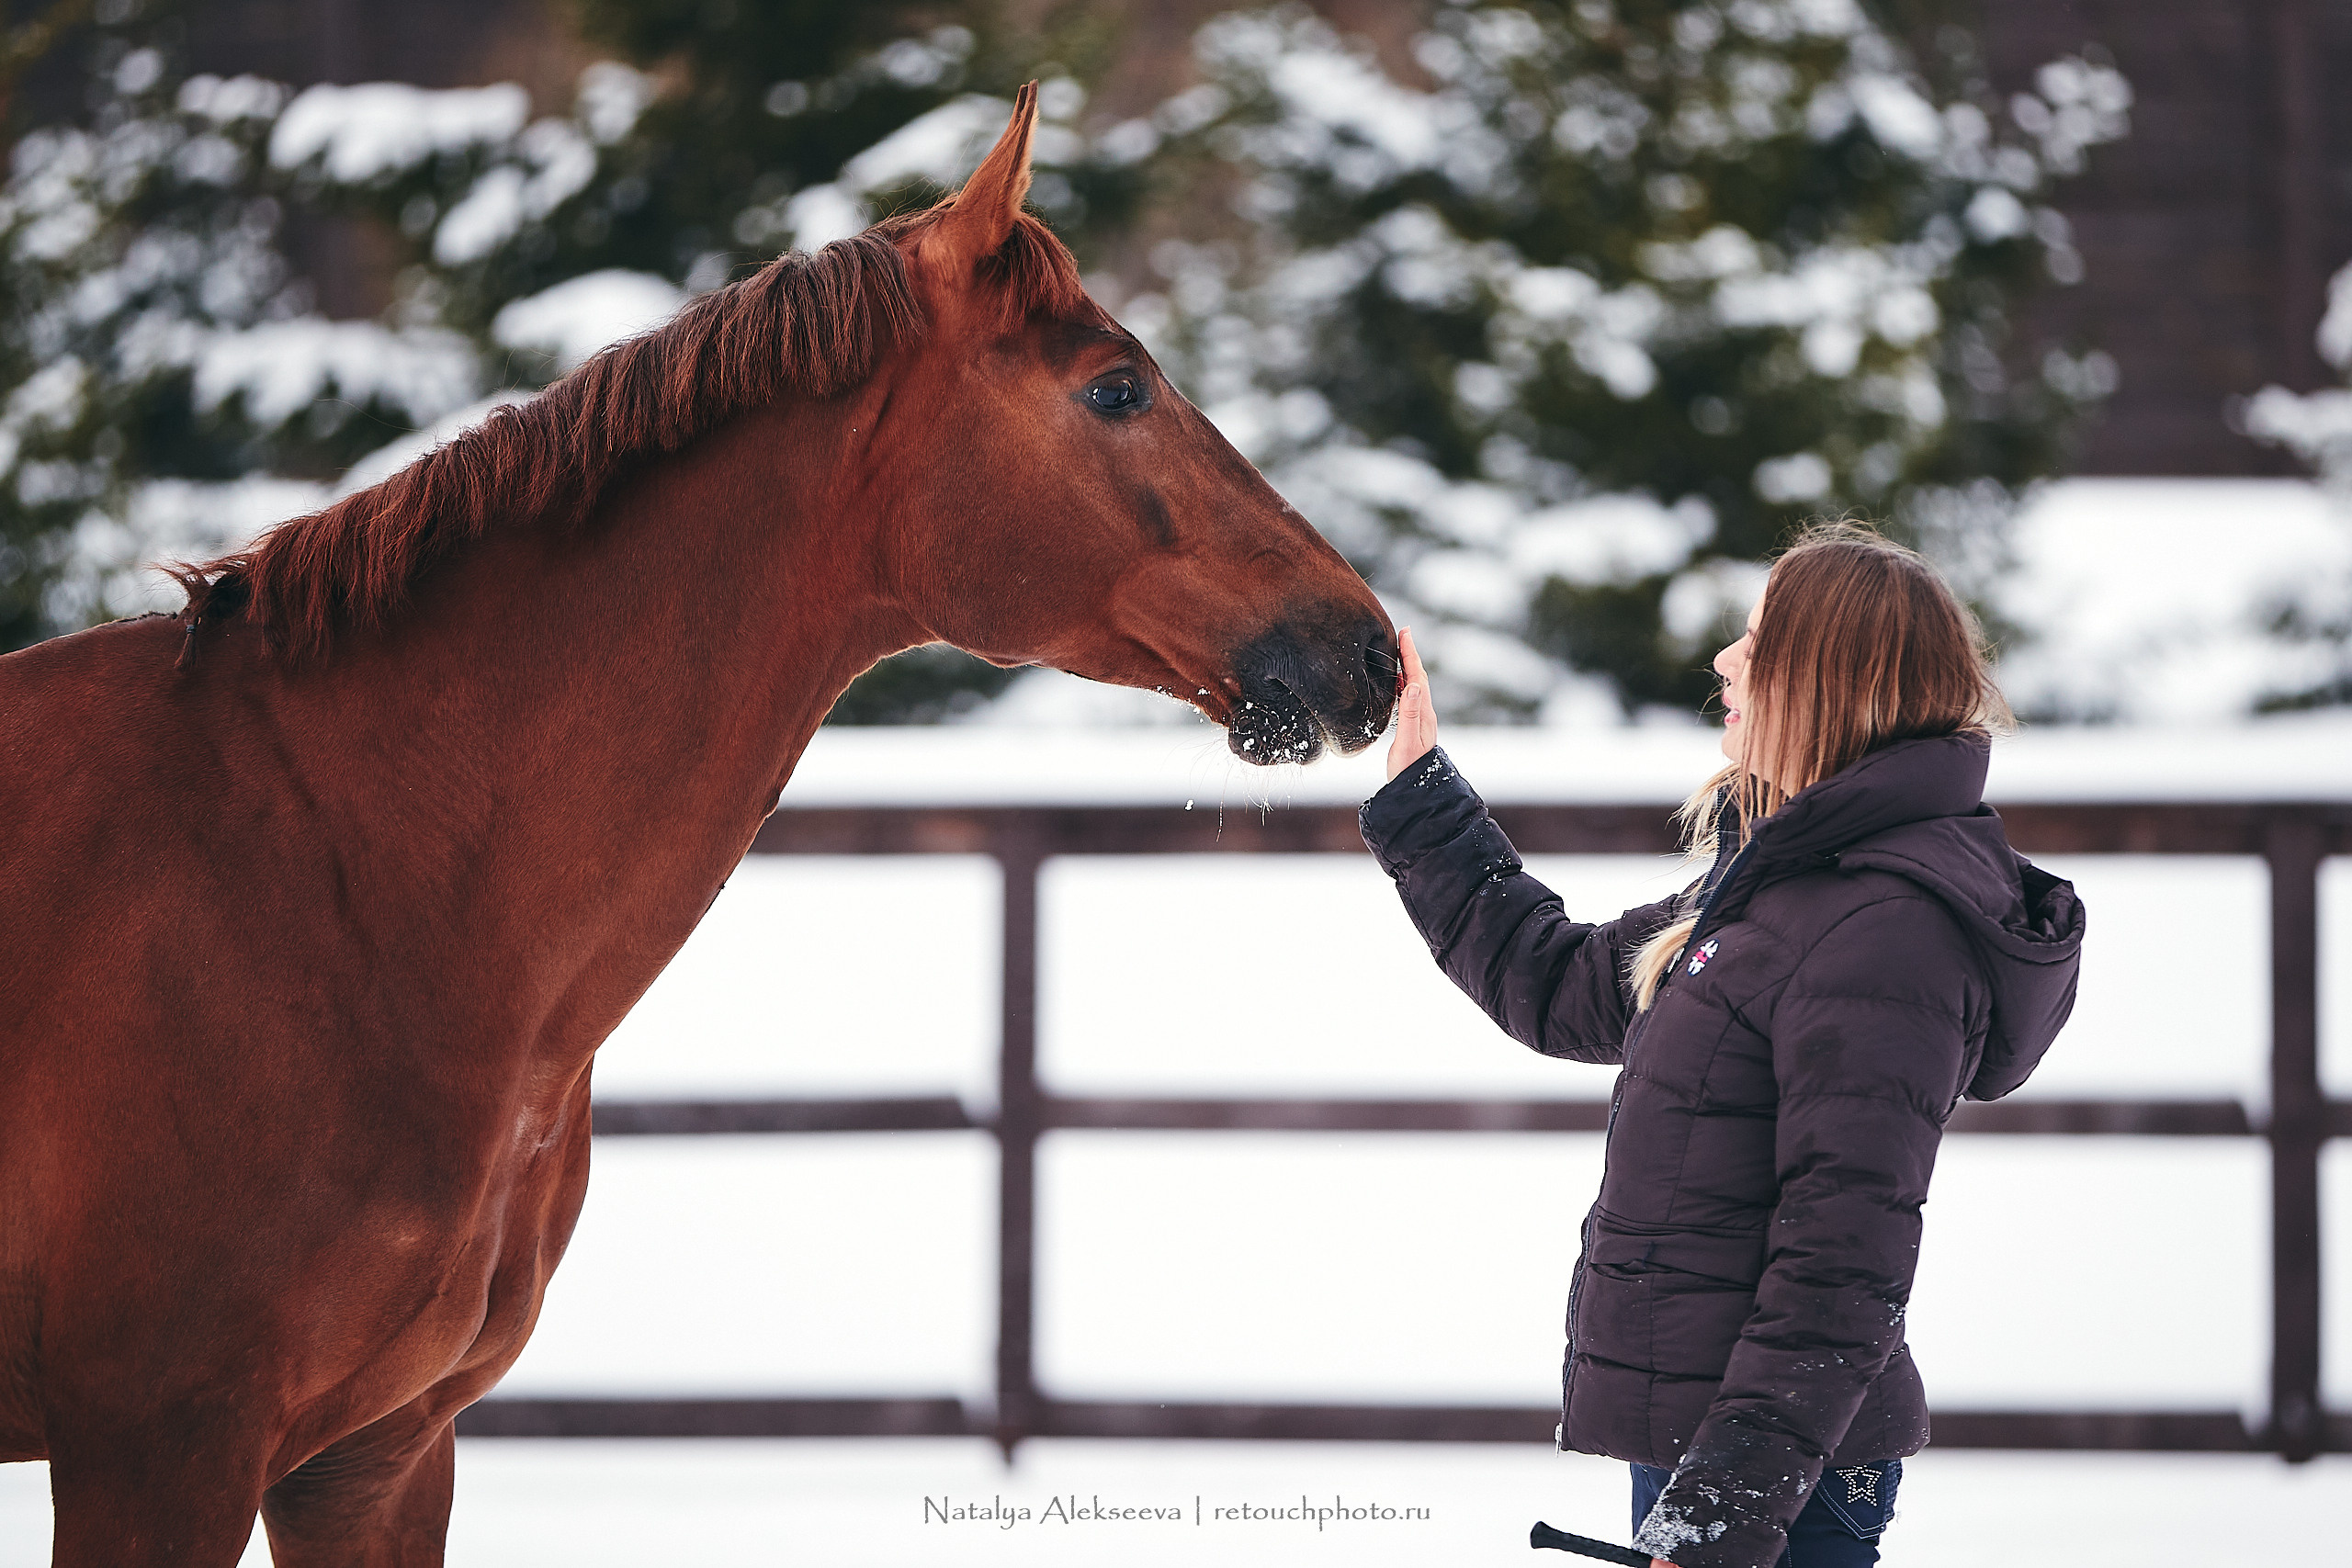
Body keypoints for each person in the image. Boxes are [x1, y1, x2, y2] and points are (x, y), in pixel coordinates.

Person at [1357, 523, 2086, 1568]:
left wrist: (1729, 1508)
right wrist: (1423, 798)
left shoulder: (1880, 932)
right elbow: (1559, 983)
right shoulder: (1783, 886)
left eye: (1756, 640)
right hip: (1724, 1445)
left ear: (1828, 677)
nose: (1725, 662)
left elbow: (1844, 1258)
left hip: (1779, 1474)